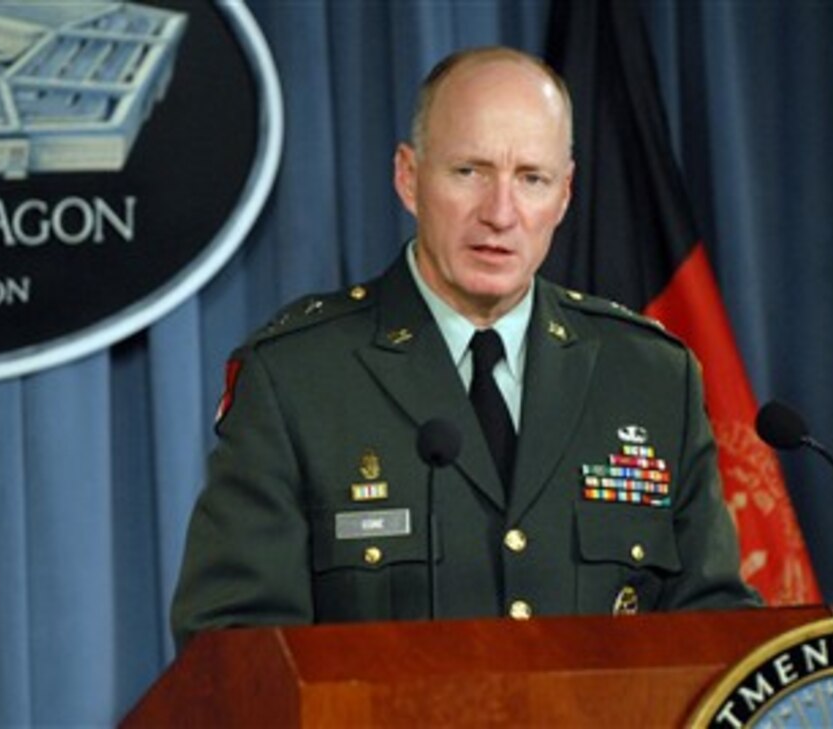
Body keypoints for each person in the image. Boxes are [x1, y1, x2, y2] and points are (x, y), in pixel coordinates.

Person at [171, 46, 759, 651]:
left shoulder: (652, 378)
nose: (500, 213)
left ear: (564, 194)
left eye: (531, 178)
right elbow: (233, 654)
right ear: (408, 178)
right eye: (469, 172)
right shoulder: (297, 378)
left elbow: (717, 634)